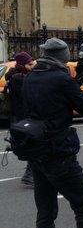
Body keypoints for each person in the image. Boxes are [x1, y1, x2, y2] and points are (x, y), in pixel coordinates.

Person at [22, 38, 83, 228]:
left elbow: (59, 96)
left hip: (37, 154)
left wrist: (77, 79)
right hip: (59, 154)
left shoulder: (31, 78)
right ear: (62, 57)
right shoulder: (60, 80)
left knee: (46, 212)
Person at [6, 52, 36, 186]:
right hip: (24, 117)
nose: (32, 67)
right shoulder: (18, 78)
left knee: (33, 146)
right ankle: (29, 175)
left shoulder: (17, 76)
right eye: (30, 64)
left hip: (23, 116)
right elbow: (26, 98)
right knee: (33, 146)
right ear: (21, 65)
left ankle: (31, 173)